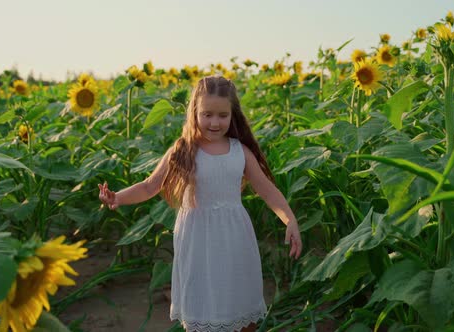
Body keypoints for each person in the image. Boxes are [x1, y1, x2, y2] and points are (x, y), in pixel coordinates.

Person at [98, 75, 302, 332]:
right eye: (207, 114)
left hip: (234, 236)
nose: (214, 122)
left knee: (239, 301)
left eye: (222, 115)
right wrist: (118, 197)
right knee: (202, 300)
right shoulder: (183, 149)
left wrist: (290, 219)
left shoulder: (240, 151)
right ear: (194, 111)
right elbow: (150, 186)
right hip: (197, 239)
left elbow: (266, 189)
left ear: (232, 115)